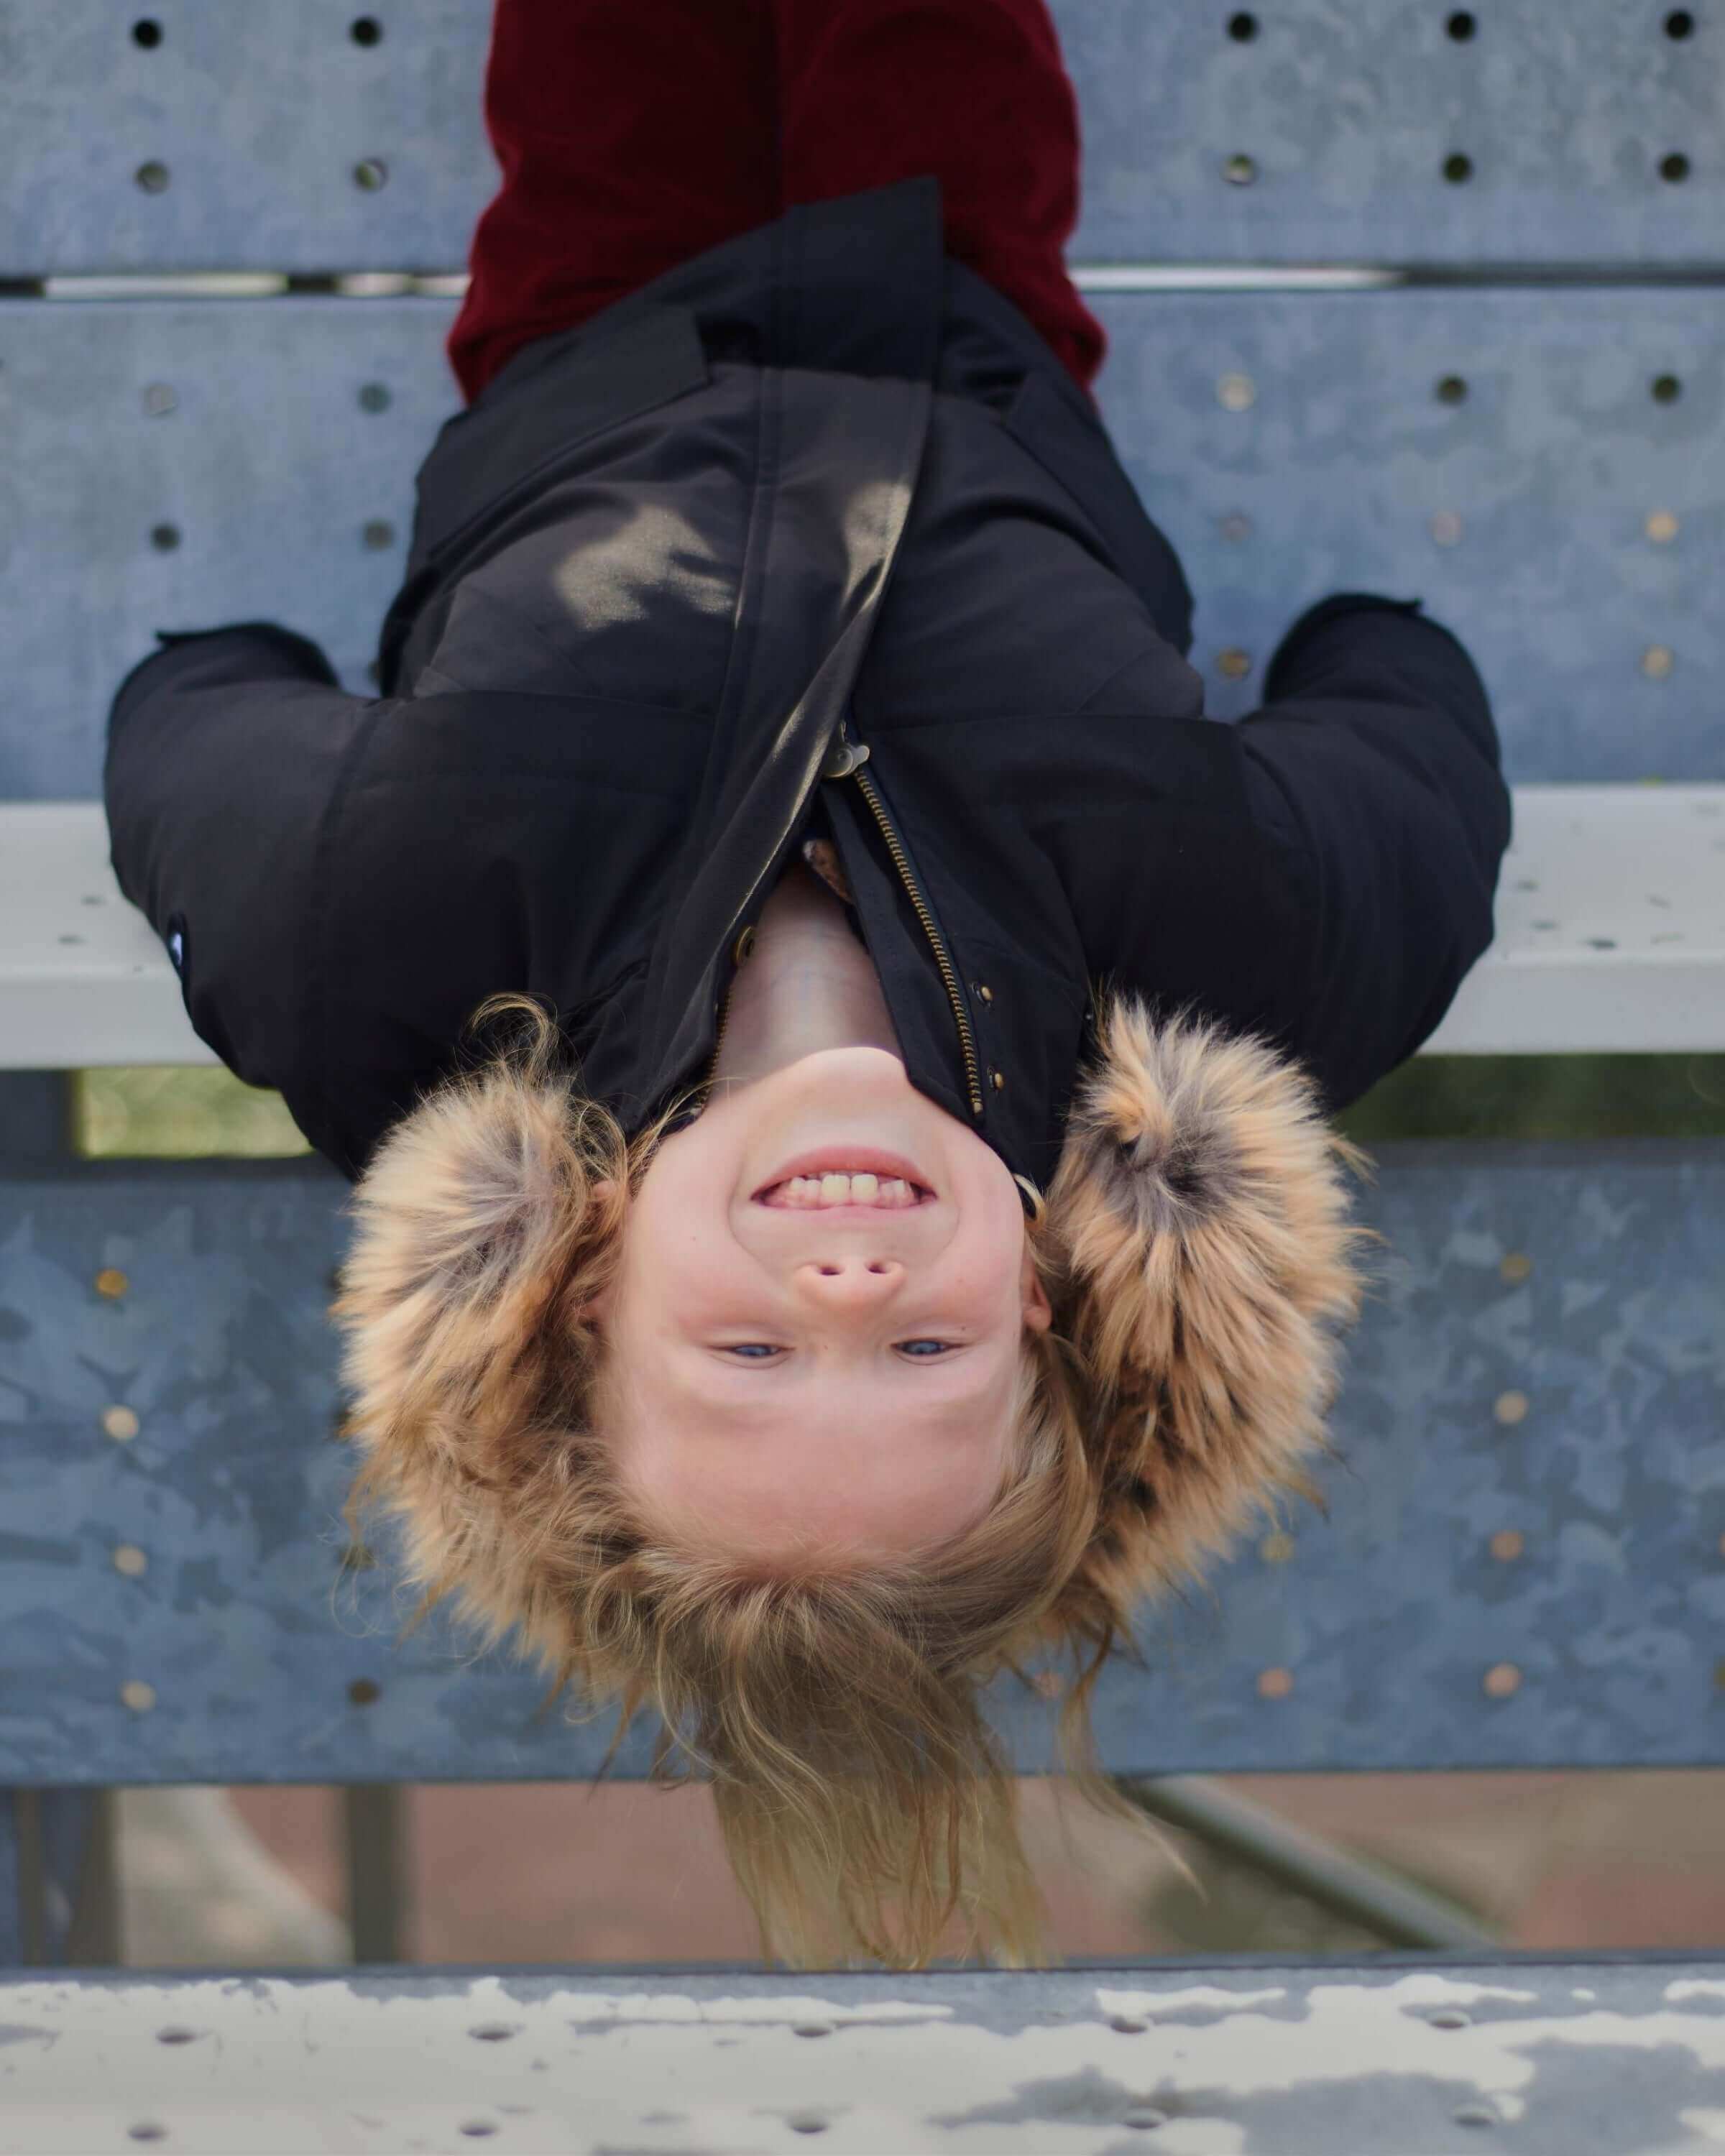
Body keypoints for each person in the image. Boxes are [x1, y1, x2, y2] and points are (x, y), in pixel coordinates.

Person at [103, 0, 1513, 1966]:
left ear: (585, 1300)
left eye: (752, 1361)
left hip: (591, 342)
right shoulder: (1220, 962)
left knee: (607, 76)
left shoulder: (378, 954)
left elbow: (189, 725)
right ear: (1038, 1298)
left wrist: (248, 678)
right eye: (926, 1361)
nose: (846, 1297)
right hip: (967, 321)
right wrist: (1371, 653)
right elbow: (1417, 783)